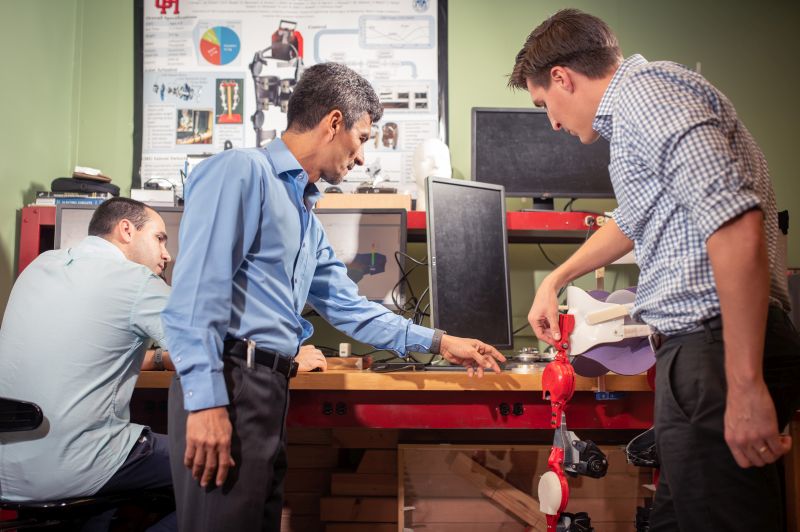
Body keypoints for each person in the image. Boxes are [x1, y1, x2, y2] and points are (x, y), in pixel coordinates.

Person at [162, 62, 506, 532]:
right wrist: (205, 405)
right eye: (363, 138)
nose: (362, 157)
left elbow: (350, 308)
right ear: (334, 122)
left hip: (267, 390)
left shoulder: (304, 215)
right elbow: (194, 297)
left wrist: (440, 342)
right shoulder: (241, 173)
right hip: (227, 383)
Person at [509, 9, 800, 531]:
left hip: (716, 348)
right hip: (697, 353)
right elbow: (633, 219)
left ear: (561, 78)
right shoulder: (636, 116)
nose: (551, 121)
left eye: (542, 105)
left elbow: (735, 221)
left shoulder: (647, 96)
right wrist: (555, 279)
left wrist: (745, 381)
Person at [0, 197, 176, 531]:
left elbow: (84, 353)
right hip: (77, 467)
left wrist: (154, 358)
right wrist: (288, 355)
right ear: (126, 229)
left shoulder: (40, 266)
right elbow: (210, 350)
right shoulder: (137, 282)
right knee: (228, 467)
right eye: (159, 238)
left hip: (9, 471)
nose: (166, 254)